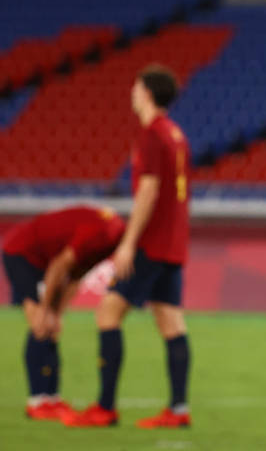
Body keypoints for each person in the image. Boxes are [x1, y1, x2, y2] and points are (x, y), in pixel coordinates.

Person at [63, 65, 192, 428]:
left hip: (151, 243)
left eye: (135, 86)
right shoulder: (176, 135)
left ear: (147, 92)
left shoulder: (152, 135)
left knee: (107, 314)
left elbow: (149, 191)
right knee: (170, 321)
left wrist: (128, 243)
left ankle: (105, 408)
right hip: (174, 242)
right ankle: (178, 410)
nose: (132, 91)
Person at [1, 205, 125, 421]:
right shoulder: (101, 234)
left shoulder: (111, 238)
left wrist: (58, 313)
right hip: (22, 254)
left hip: (45, 260)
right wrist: (47, 309)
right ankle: (37, 401)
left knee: (53, 328)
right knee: (40, 325)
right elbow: (59, 267)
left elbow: (77, 274)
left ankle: (52, 398)